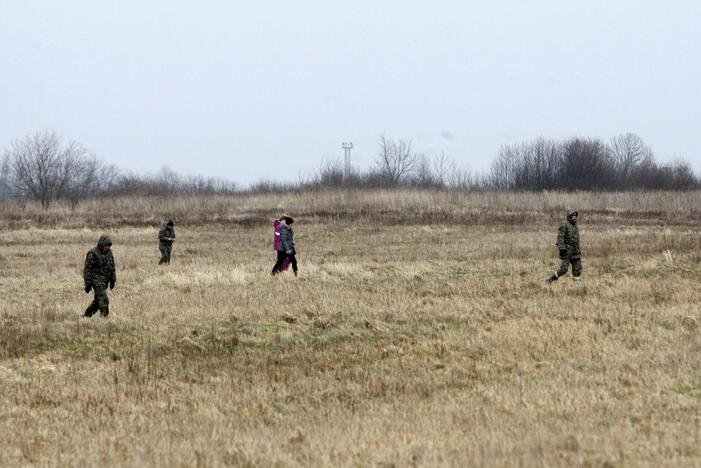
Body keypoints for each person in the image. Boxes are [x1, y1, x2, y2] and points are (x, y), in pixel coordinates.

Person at [83, 234, 116, 317]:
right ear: (101, 244)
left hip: (105, 281)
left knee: (98, 302)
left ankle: (87, 316)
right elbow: (87, 269)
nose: (107, 247)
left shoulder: (109, 253)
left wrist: (113, 280)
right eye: (105, 245)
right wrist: (88, 283)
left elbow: (112, 267)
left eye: (108, 246)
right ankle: (104, 319)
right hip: (96, 281)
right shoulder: (92, 253)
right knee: (104, 300)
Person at [547, 208, 582, 283]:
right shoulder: (564, 225)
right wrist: (562, 248)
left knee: (578, 269)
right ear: (569, 216)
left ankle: (577, 285)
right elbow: (560, 237)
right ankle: (552, 278)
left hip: (576, 252)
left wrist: (578, 250)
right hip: (567, 251)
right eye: (573, 215)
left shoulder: (576, 226)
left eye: (576, 215)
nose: (575, 217)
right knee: (564, 269)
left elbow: (576, 240)